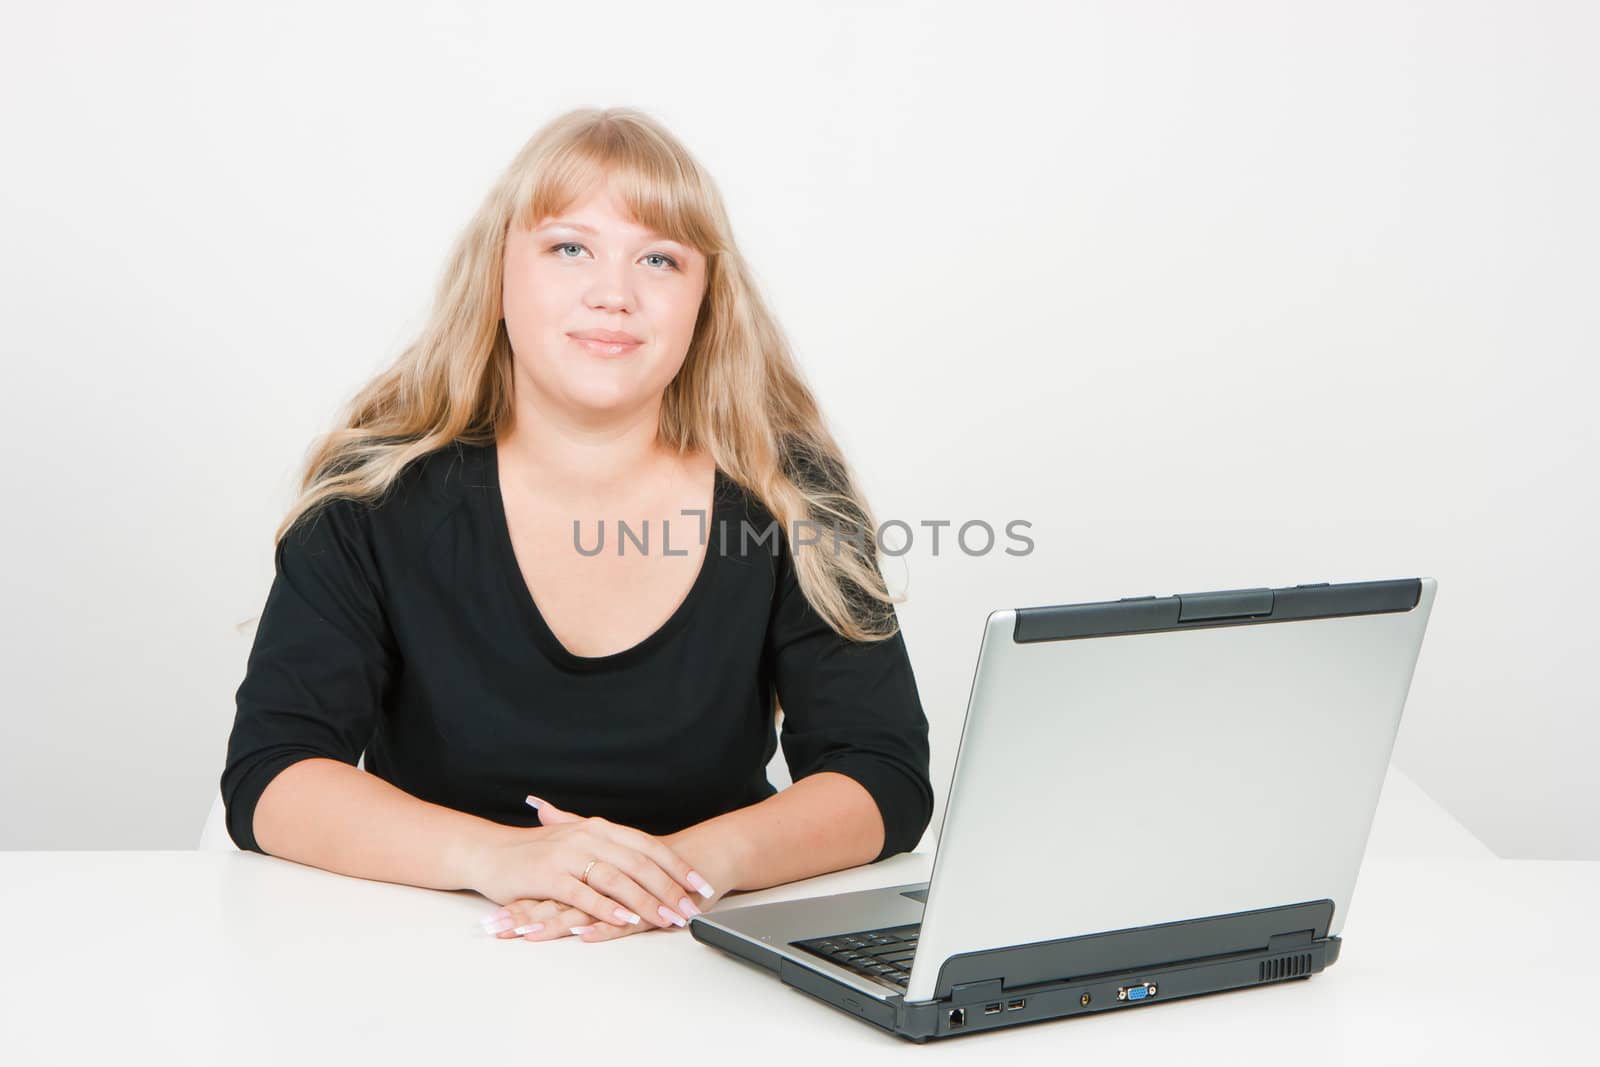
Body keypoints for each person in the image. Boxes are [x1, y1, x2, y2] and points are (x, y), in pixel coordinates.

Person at [220, 106, 934, 945]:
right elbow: (272, 774)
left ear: (705, 302)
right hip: (422, 953)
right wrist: (506, 859)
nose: (613, 294)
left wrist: (669, 874)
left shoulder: (791, 495)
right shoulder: (372, 496)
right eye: (569, 248)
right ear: (496, 277)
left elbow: (881, 772)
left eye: (659, 259)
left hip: (704, 955)